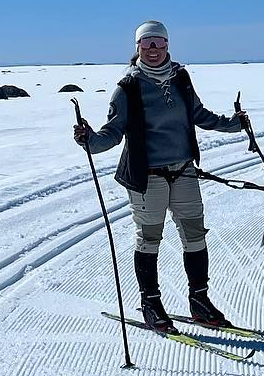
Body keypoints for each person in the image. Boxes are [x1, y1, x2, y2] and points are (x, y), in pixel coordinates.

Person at [74, 20, 250, 332]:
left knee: (195, 235)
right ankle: (151, 303)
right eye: (147, 43)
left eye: (159, 42)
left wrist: (233, 124)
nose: (153, 49)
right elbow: (113, 133)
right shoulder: (127, 88)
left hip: (183, 171)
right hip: (147, 177)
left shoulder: (181, 78)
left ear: (168, 45)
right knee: (149, 239)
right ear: (137, 47)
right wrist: (91, 140)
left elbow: (199, 114)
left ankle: (199, 300)